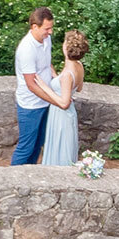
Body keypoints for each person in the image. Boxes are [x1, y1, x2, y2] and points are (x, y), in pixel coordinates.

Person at [10, 7, 56, 165]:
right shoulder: (26, 49)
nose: (50, 32)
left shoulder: (46, 39)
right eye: (47, 28)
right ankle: (13, 179)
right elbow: (31, 84)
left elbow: (47, 64)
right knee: (26, 147)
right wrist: (55, 99)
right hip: (30, 105)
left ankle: (30, 176)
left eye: (51, 28)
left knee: (38, 144)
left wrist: (56, 80)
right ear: (34, 27)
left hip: (45, 101)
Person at [36, 30, 87, 166]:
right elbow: (78, 88)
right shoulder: (79, 66)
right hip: (69, 114)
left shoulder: (67, 75)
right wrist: (55, 75)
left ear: (66, 47)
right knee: (64, 149)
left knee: (59, 150)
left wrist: (44, 87)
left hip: (61, 115)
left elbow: (64, 103)